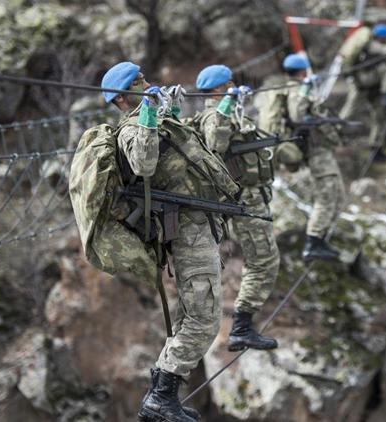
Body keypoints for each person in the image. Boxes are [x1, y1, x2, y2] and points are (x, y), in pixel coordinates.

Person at [101, 61, 240, 422]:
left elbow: (189, 152)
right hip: (186, 230)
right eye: (137, 83)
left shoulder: (156, 118)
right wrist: (148, 111)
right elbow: (143, 163)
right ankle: (160, 396)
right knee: (204, 319)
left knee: (192, 315)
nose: (146, 83)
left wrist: (170, 111)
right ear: (120, 99)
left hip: (200, 224)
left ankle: (165, 395)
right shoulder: (130, 129)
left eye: (144, 77)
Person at [192, 64, 279, 352]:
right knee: (263, 262)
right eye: (228, 84)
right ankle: (241, 327)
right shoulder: (212, 115)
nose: (233, 87)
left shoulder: (230, 112)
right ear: (217, 89)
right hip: (244, 202)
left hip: (255, 199)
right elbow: (215, 141)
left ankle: (243, 325)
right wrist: (227, 103)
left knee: (264, 261)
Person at [258, 53, 345, 261]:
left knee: (337, 193)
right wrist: (306, 89)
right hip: (315, 150)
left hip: (313, 148)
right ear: (304, 71)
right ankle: (314, 241)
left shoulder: (287, 88)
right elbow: (298, 115)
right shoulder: (298, 89)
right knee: (327, 195)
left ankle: (320, 238)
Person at [338, 23, 386, 161]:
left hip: (372, 86)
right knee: (350, 111)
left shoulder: (375, 51)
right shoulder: (372, 45)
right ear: (382, 37)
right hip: (364, 83)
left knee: (379, 117)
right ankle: (335, 133)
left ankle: (376, 148)